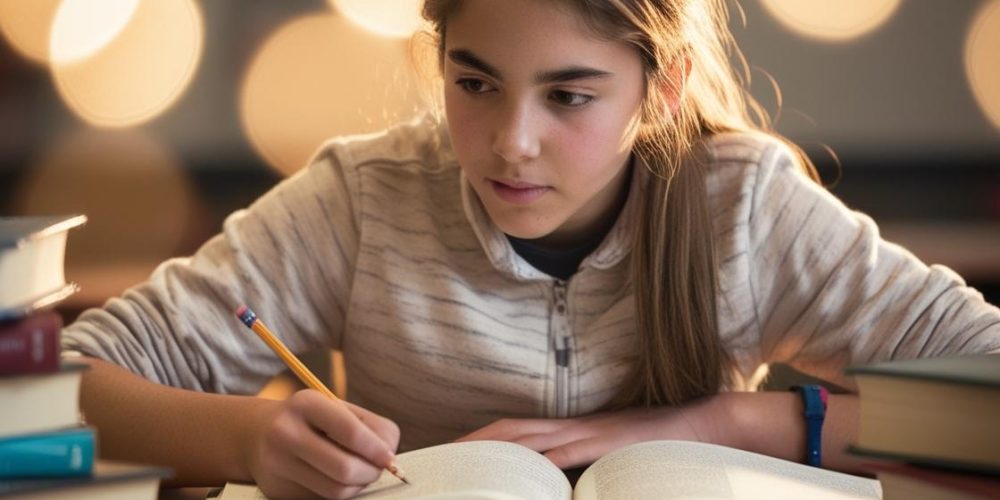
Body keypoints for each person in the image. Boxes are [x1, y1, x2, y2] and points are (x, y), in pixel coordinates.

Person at [61, 0, 1000, 498]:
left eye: (569, 95)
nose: (512, 141)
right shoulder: (361, 200)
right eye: (476, 83)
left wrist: (727, 423)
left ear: (662, 87)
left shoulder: (741, 206)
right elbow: (58, 387)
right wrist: (249, 439)